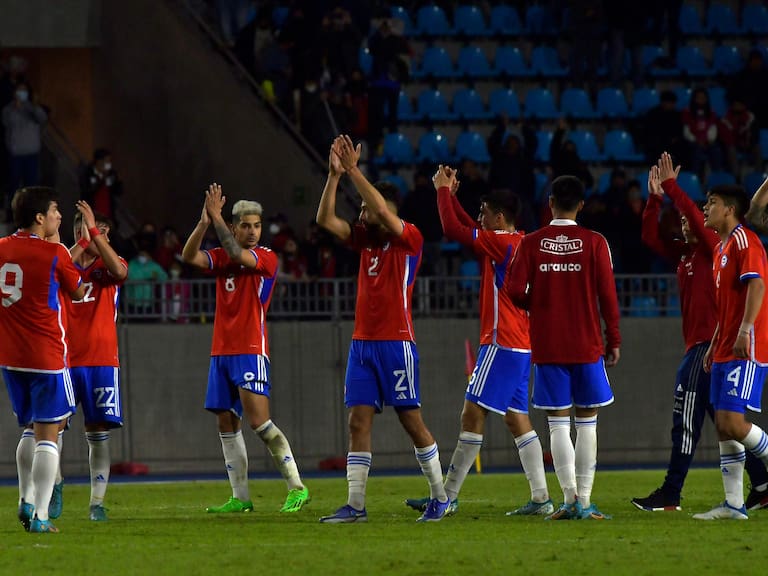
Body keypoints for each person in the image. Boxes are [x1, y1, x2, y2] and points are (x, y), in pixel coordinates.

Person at [405, 165, 552, 517]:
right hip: (520, 344)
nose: (479, 218)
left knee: (471, 414)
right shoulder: (517, 241)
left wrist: (441, 191)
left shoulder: (500, 241)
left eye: (485, 213)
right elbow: (468, 227)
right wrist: (453, 198)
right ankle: (541, 498)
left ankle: (447, 496)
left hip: (501, 343)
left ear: (499, 218)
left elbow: (454, 229)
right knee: (517, 420)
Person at [316, 135, 449, 523]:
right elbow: (325, 219)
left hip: (396, 343)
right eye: (360, 210)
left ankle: (439, 498)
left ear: (389, 213)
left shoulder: (410, 238)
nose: (362, 214)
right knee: (358, 421)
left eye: (368, 209)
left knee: (411, 421)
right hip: (362, 346)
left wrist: (355, 170)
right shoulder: (365, 242)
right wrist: (334, 176)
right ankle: (356, 505)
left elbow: (381, 211)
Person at [634, 153, 768, 512]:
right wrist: (655, 199)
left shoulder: (719, 246)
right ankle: (754, 490)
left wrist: (672, 188)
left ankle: (671, 492)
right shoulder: (691, 255)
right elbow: (649, 237)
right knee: (725, 422)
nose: (688, 220)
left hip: (717, 344)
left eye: (704, 209)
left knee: (695, 417)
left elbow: (755, 285)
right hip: (712, 345)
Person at [181, 183, 309, 514]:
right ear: (236, 227)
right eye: (246, 226)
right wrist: (204, 222)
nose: (253, 232)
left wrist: (217, 216)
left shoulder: (266, 257)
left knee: (259, 423)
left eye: (257, 226)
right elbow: (188, 256)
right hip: (221, 351)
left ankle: (297, 487)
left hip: (251, 348)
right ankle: (240, 497)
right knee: (226, 423)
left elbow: (238, 253)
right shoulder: (222, 256)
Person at [507, 175, 621, 520]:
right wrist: (613, 338)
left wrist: (538, 302)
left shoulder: (532, 242)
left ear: (550, 202)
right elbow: (608, 296)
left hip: (548, 344)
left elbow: (512, 290)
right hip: (587, 344)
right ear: (582, 205)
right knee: (588, 424)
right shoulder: (595, 242)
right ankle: (584, 502)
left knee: (557, 424)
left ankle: (569, 499)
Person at [0, 186, 85, 533]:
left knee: (29, 429)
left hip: (10, 356)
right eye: (54, 211)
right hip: (46, 355)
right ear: (39, 218)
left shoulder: (1, 248)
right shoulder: (54, 252)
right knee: (50, 433)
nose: (59, 216)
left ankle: (25, 498)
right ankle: (41, 516)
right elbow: (78, 290)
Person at [692, 182, 768, 520]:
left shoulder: (743, 241)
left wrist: (745, 330)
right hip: (724, 346)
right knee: (722, 426)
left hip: (745, 346)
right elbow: (727, 306)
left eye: (711, 202)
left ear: (730, 209)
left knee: (733, 422)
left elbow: (758, 285)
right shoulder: (721, 249)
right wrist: (714, 342)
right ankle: (734, 504)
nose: (705, 208)